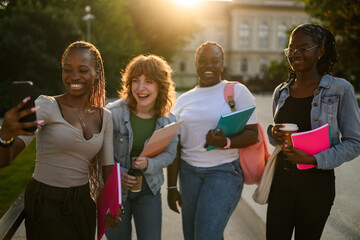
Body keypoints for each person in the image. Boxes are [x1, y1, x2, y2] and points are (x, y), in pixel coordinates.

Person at [0, 41, 121, 239]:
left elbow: (107, 170)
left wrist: (113, 207)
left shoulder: (105, 116)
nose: (74, 76)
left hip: (83, 203)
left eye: (83, 70)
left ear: (97, 72)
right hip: (46, 202)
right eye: (67, 69)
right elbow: (5, 159)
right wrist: (5, 137)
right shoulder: (46, 105)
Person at [267, 23, 360, 240]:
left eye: (303, 48)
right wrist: (273, 132)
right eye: (292, 49)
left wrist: (313, 159)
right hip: (281, 182)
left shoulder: (340, 89)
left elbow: (355, 142)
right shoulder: (281, 92)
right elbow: (277, 137)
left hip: (316, 186)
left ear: (320, 51)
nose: (296, 53)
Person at [167, 41, 258, 240]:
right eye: (203, 61)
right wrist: (172, 187)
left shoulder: (237, 92)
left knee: (207, 235)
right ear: (196, 63)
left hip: (223, 171)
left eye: (214, 61)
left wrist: (225, 142)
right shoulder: (183, 100)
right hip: (189, 173)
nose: (208, 66)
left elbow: (253, 134)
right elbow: (176, 147)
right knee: (191, 235)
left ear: (222, 64)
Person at [105, 54, 178, 240]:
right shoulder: (112, 113)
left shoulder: (169, 121)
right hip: (116, 191)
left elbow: (170, 154)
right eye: (135, 81)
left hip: (149, 190)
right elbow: (98, 153)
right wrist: (116, 174)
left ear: (161, 86)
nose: (140, 88)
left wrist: (149, 164)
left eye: (149, 82)